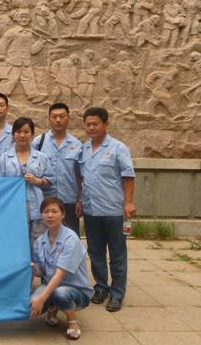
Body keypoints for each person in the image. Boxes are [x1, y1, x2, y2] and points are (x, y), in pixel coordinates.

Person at [79, 107, 135, 312]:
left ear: (106, 124)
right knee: (95, 252)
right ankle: (101, 287)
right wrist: (79, 200)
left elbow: (128, 176)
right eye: (88, 124)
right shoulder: (84, 149)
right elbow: (80, 176)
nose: (91, 128)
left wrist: (128, 202)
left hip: (113, 211)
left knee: (117, 254)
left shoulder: (118, 148)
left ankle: (117, 293)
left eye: (95, 124)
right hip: (91, 210)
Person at [31, 197, 93, 341]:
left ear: (63, 214)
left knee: (60, 294)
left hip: (75, 290)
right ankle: (52, 308)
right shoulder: (39, 242)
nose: (50, 215)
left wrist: (42, 298)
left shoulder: (71, 239)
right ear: (41, 215)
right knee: (30, 306)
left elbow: (59, 276)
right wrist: (32, 269)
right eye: (46, 212)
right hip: (50, 286)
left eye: (54, 211)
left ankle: (72, 321)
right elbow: (41, 272)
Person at [0, 117, 53, 247]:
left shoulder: (41, 157)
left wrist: (36, 180)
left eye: (26, 132)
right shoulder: (4, 158)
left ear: (32, 134)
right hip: (13, 208)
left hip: (36, 208)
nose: (22, 135)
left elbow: (49, 180)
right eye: (18, 131)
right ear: (13, 134)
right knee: (16, 244)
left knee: (37, 245)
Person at [33, 103, 82, 235]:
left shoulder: (76, 145)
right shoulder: (39, 142)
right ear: (49, 119)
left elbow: (79, 175)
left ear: (68, 118)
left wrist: (79, 200)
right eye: (54, 116)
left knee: (70, 238)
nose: (58, 120)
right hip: (44, 201)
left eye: (62, 116)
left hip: (69, 202)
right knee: (43, 238)